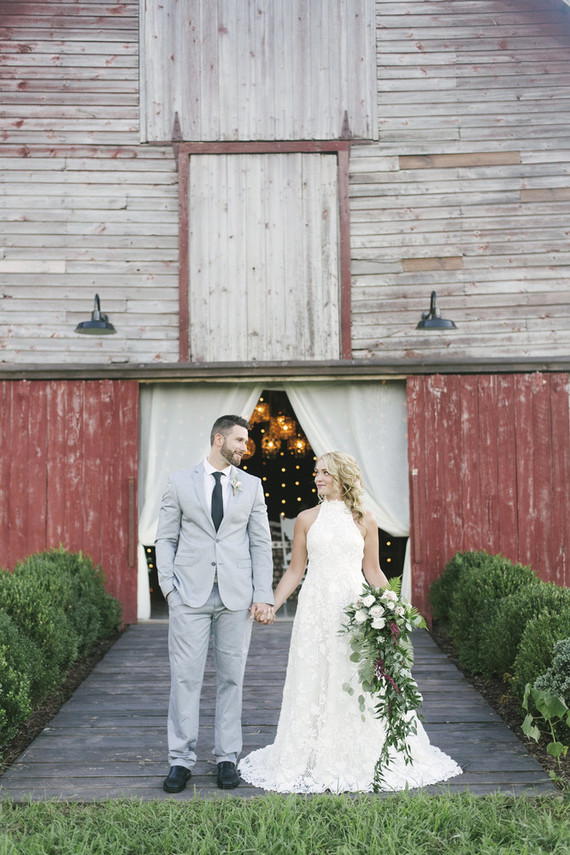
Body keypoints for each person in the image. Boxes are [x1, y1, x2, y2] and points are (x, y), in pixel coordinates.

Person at [240, 451, 462, 793]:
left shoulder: (365, 520)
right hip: (315, 609)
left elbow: (372, 571)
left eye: (326, 473)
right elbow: (296, 570)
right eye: (317, 472)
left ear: (343, 477)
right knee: (314, 675)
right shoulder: (306, 519)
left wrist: (391, 608)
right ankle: (311, 752)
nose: (318, 478)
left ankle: (364, 749)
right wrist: (272, 602)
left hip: (354, 607)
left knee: (355, 675)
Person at [155, 415, 274, 792]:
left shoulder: (251, 485)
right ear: (218, 439)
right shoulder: (179, 482)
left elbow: (260, 543)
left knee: (231, 678)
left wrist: (262, 594)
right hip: (189, 595)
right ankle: (180, 760)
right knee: (185, 677)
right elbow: (165, 539)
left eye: (246, 442)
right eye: (239, 441)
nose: (244, 448)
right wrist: (169, 590)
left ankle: (227, 758)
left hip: (236, 597)